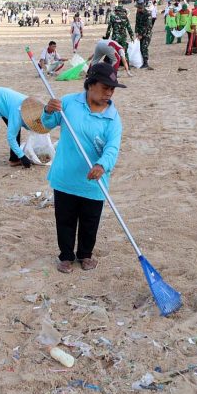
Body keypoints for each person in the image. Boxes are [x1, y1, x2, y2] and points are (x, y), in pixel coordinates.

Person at [41, 62, 124, 273]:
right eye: (105, 87)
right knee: (65, 219)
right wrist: (48, 111)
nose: (109, 93)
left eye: (112, 89)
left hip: (94, 180)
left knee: (90, 221)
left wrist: (101, 165)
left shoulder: (112, 119)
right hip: (65, 176)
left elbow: (112, 148)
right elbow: (47, 124)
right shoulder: (69, 103)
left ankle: (85, 254)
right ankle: (66, 256)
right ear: (90, 84)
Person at [0, 87, 41, 173]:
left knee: (16, 129)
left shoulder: (31, 109)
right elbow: (10, 137)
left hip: (6, 105)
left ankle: (14, 159)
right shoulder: (17, 114)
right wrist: (22, 156)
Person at [134, 1, 153, 70]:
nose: (137, 9)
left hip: (147, 34)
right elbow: (137, 23)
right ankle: (142, 61)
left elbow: (147, 26)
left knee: (144, 47)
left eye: (138, 8)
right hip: (140, 33)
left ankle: (146, 63)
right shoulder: (138, 13)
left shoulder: (148, 14)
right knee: (140, 48)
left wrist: (141, 35)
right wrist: (136, 32)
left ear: (141, 8)